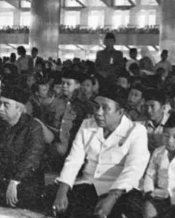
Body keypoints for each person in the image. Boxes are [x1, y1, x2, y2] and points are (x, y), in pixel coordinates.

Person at [52, 88, 150, 218]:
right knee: (56, 198)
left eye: (105, 108)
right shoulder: (87, 125)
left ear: (120, 112)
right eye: (96, 107)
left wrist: (110, 200)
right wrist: (62, 192)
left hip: (120, 190)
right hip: (89, 185)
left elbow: (133, 169)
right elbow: (74, 160)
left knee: (130, 209)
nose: (98, 113)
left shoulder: (136, 131)